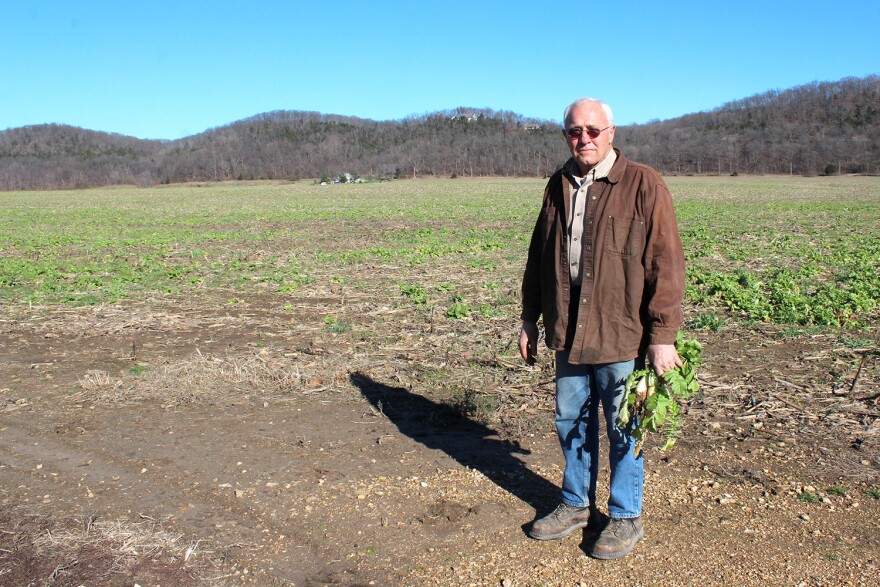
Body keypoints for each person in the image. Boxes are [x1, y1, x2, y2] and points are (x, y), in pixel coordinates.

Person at [518, 98, 685, 559]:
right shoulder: (558, 185)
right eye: (574, 131)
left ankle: (625, 516)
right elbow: (538, 258)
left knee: (623, 425)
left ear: (612, 132)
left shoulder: (643, 183)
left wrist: (663, 336)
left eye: (592, 130)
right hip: (568, 332)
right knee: (570, 421)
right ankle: (576, 505)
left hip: (620, 333)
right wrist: (529, 319)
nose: (583, 138)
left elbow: (666, 265)